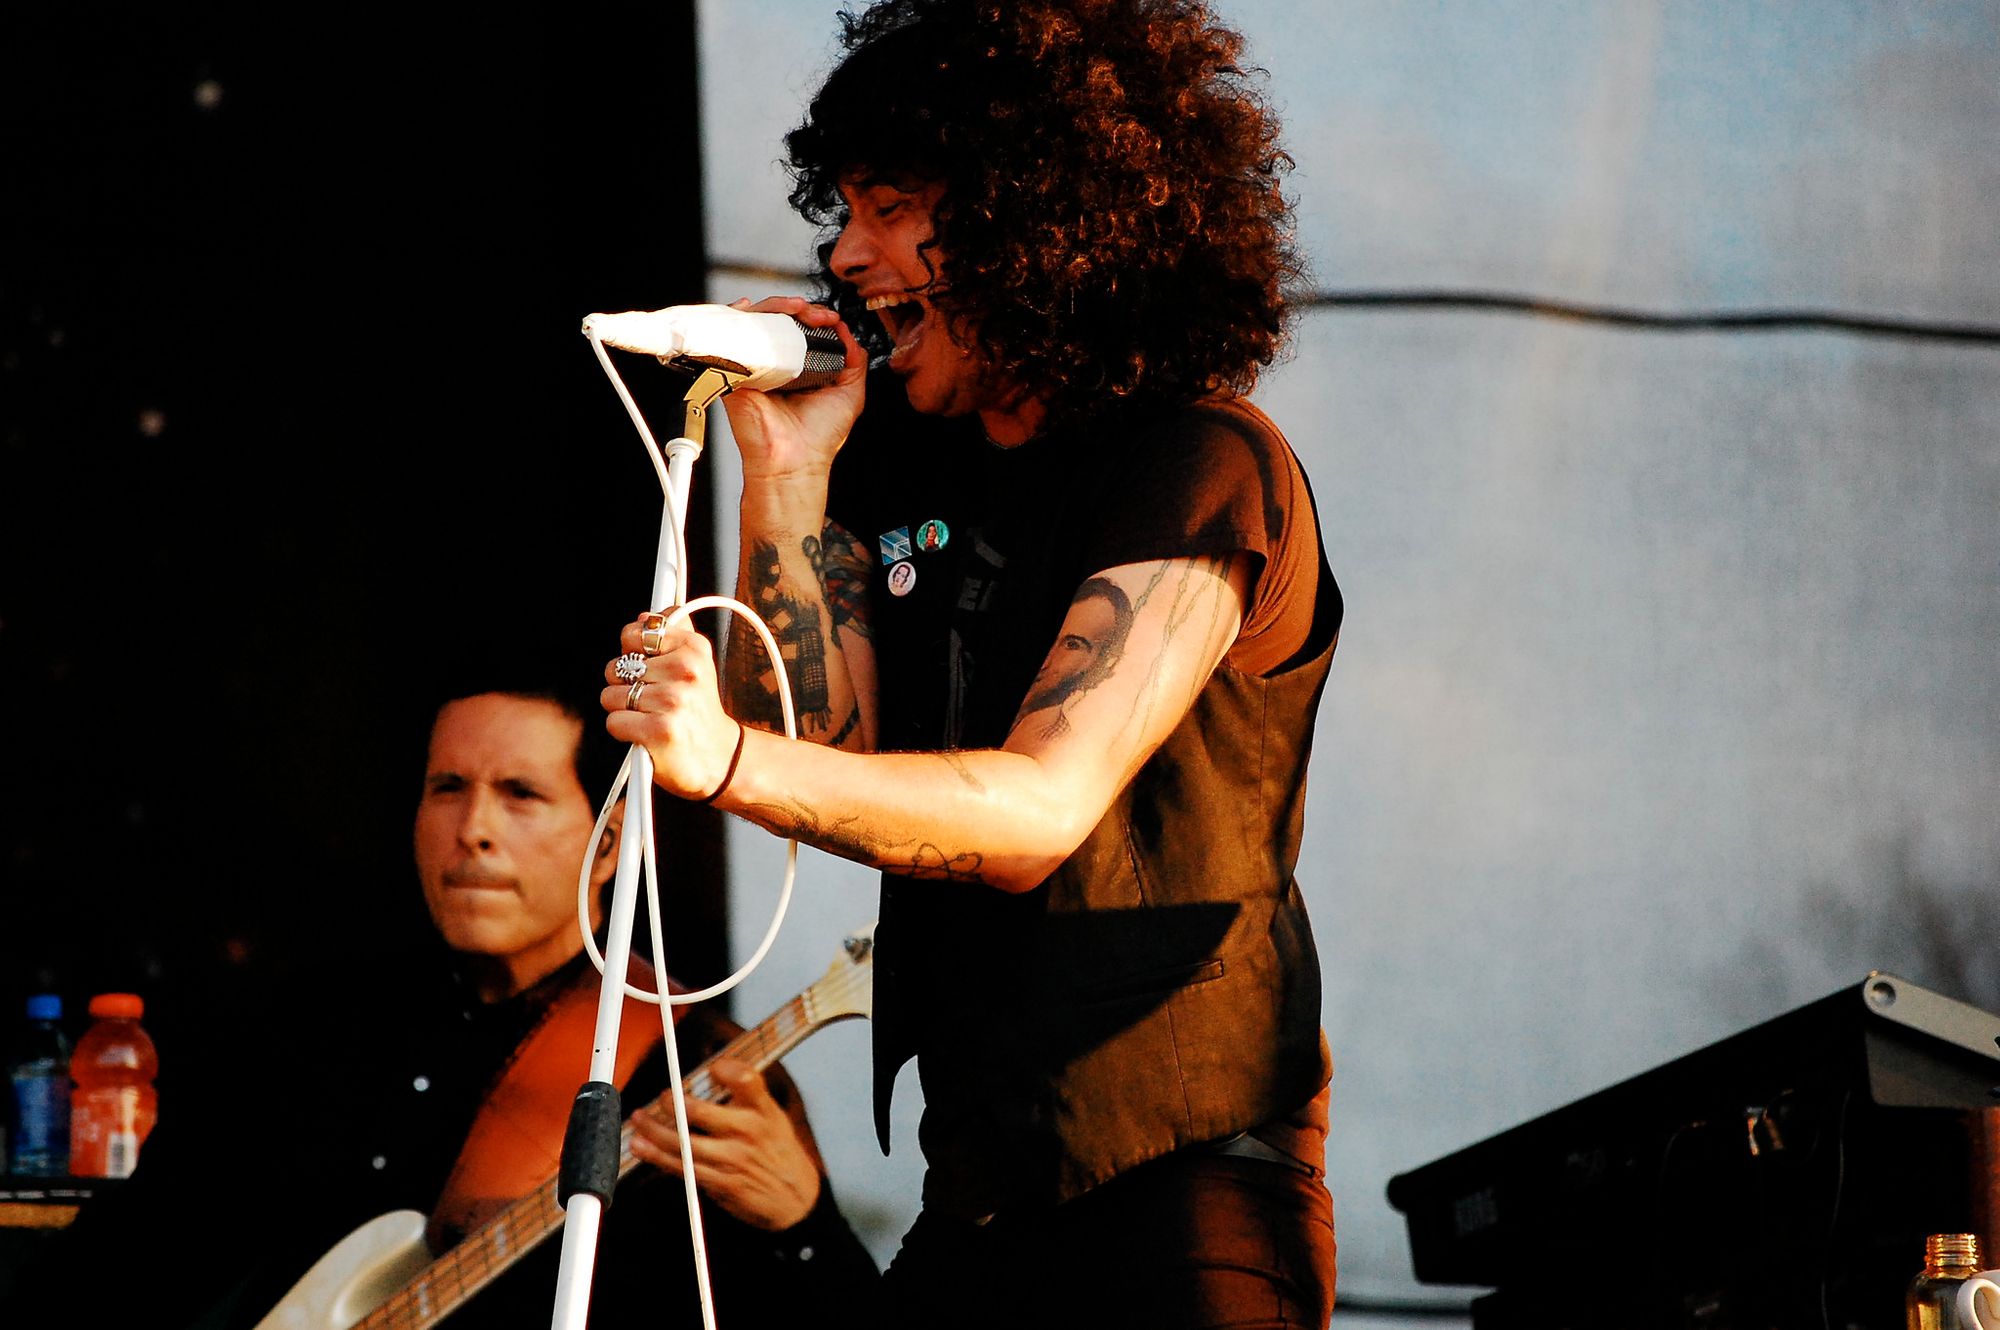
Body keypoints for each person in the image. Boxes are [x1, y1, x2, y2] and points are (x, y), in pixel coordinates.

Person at [604, 1, 1341, 1326]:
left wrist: (719, 753)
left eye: (890, 206)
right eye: (843, 210)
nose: (845, 250)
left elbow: (1037, 808)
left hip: (1179, 1186)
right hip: (982, 1182)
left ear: (1034, 219)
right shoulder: (905, 463)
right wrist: (791, 474)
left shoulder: (1201, 462)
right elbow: (830, 774)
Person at [2, 673, 878, 1329]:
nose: (474, 830)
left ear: (609, 844)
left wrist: (801, 1222)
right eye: (447, 788)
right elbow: (133, 1255)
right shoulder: (312, 1030)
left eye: (521, 794)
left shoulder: (693, 1063)